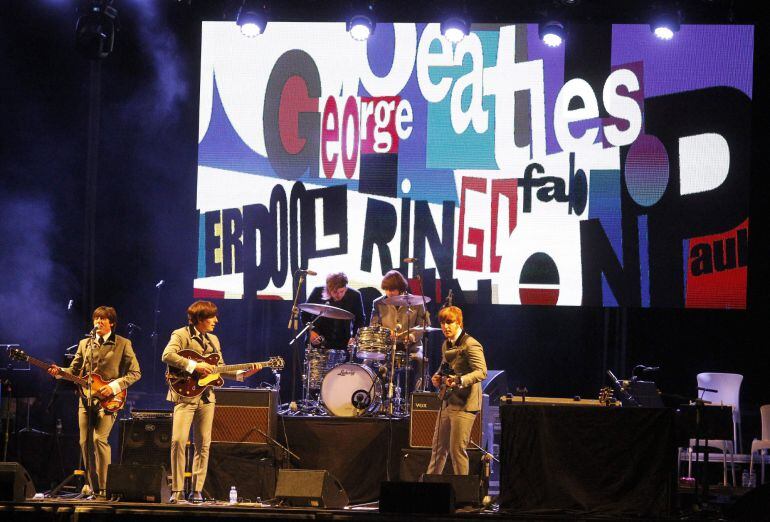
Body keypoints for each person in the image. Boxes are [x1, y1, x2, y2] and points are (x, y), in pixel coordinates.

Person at [161, 300, 262, 503]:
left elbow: (220, 368)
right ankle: (178, 491)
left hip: (207, 397)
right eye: (211, 317)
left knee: (203, 444)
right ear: (199, 318)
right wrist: (195, 365)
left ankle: (196, 490)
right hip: (185, 396)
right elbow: (167, 355)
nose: (216, 320)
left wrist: (242, 374)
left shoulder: (214, 340)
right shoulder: (181, 334)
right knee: (178, 441)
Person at [47, 306, 141, 497]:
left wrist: (114, 387)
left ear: (111, 323)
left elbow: (135, 373)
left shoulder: (123, 343)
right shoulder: (85, 344)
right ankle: (93, 487)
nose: (98, 322)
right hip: (86, 399)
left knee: (99, 439)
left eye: (103, 319)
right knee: (84, 442)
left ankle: (105, 488)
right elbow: (74, 370)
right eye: (96, 318)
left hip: (110, 399)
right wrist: (59, 373)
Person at [426, 305, 487, 475]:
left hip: (465, 404)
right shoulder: (447, 344)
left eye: (449, 322)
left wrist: (460, 380)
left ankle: (463, 497)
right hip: (448, 401)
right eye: (442, 323)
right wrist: (437, 376)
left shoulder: (471, 344)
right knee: (438, 450)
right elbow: (445, 365)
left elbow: (482, 371)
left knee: (456, 451)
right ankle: (428, 489)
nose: (445, 326)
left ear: (459, 322)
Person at [369, 269, 430, 362]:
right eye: (386, 289)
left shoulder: (417, 303)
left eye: (392, 290)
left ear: (400, 288)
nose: (389, 293)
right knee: (368, 360)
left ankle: (419, 377)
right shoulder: (378, 303)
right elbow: (374, 326)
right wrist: (386, 332)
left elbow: (424, 325)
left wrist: (412, 336)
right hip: (386, 346)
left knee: (419, 360)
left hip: (412, 346)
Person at [302, 272, 366, 352]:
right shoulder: (318, 291)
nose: (338, 295)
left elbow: (360, 319)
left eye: (342, 291)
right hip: (318, 339)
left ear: (346, 288)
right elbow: (304, 314)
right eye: (335, 292)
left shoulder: (355, 295)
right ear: (328, 288)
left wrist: (354, 337)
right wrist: (310, 331)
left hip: (343, 341)